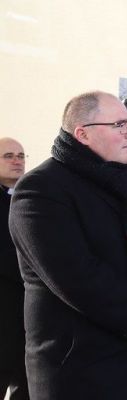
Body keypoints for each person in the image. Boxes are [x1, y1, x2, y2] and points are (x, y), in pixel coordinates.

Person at [8, 91, 127, 400]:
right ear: (82, 134)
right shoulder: (40, 189)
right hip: (78, 370)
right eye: (119, 124)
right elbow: (77, 277)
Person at [0, 138, 29, 400]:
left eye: (21, 155)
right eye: (8, 155)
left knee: (26, 384)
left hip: (27, 309)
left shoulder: (33, 197)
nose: (17, 160)